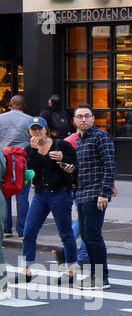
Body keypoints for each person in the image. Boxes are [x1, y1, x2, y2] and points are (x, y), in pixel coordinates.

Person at [17, 118, 79, 283]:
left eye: (39, 129)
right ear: (29, 132)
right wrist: (35, 151)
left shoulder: (61, 145)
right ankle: (26, 269)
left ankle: (71, 271)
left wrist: (62, 159)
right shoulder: (30, 149)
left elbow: (75, 166)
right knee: (29, 231)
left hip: (60, 193)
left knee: (65, 232)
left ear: (46, 130)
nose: (37, 132)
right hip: (40, 194)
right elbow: (31, 172)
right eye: (33, 129)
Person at [72, 104, 115, 289]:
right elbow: (84, 167)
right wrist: (71, 169)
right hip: (82, 193)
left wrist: (104, 193)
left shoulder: (101, 136)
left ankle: (102, 277)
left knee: (93, 236)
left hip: (96, 194)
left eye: (87, 116)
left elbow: (109, 165)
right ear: (74, 121)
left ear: (93, 119)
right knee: (87, 237)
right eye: (80, 116)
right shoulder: (79, 141)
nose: (83, 119)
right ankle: (92, 274)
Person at [1, 95, 31, 238]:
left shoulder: (1, 118)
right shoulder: (29, 120)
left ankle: (6, 228)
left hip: (3, 160)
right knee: (22, 196)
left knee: (5, 195)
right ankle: (22, 230)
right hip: (22, 161)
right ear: (23, 106)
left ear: (11, 104)